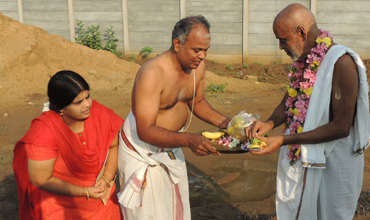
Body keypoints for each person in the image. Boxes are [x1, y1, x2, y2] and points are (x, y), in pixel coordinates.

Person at [246, 3, 370, 220]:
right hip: (308, 155)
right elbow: (290, 100)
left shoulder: (341, 63)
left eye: (283, 39)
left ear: (301, 32)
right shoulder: (304, 60)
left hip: (336, 163)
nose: (280, 47)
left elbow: (341, 127)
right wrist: (268, 124)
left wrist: (283, 140)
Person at [117, 15, 230, 220]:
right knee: (147, 213)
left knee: (173, 207)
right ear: (177, 44)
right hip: (141, 150)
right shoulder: (152, 73)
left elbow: (198, 101)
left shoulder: (197, 67)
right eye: (197, 50)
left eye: (206, 50)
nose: (203, 56)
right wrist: (189, 140)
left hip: (170, 145)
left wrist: (229, 123)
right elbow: (145, 131)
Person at [13, 70, 124, 220]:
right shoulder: (44, 132)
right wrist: (85, 192)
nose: (87, 105)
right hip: (61, 206)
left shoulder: (99, 114)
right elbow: (41, 179)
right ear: (60, 107)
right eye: (79, 102)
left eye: (88, 97)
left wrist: (106, 177)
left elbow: (114, 145)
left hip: (102, 201)